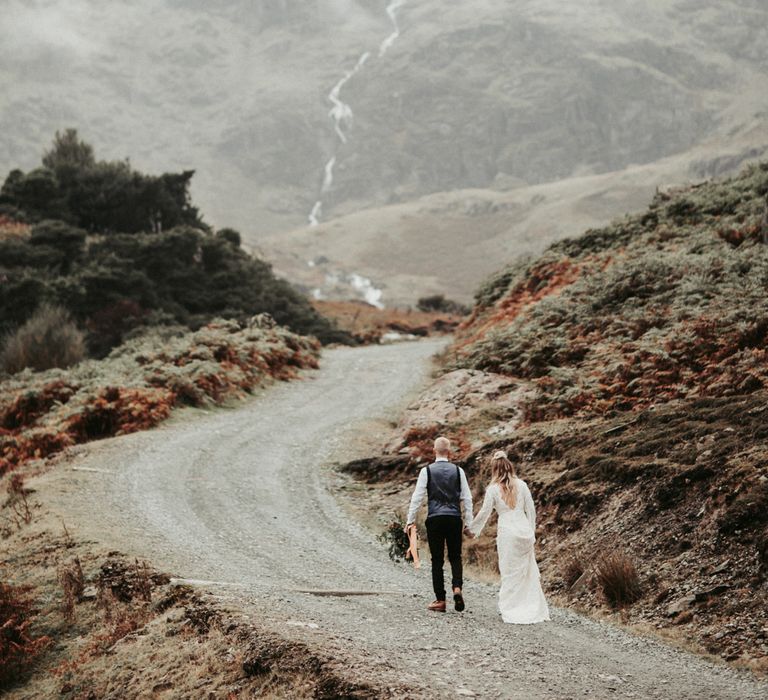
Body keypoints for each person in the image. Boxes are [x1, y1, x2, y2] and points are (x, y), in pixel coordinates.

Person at [469, 450, 550, 624]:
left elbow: (485, 513)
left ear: (494, 469)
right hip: (523, 530)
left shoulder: (492, 490)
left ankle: (512, 607)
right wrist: (532, 532)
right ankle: (530, 606)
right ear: (509, 466)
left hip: (507, 531)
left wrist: (473, 529)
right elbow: (531, 510)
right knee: (525, 572)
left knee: (509, 571)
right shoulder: (522, 485)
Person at [405, 436, 473, 612]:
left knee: (437, 560)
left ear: (434, 450)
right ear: (449, 451)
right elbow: (467, 498)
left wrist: (410, 520)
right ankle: (457, 587)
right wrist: (469, 523)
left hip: (435, 518)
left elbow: (417, 497)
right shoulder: (458, 471)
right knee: (455, 556)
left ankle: (440, 600)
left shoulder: (426, 471)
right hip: (454, 518)